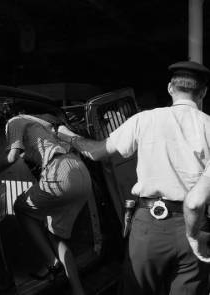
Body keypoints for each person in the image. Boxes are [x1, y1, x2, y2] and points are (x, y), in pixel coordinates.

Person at [57, 61, 210, 294]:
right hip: (195, 228)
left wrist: (69, 136)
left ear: (170, 88)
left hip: (149, 226)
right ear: (204, 92)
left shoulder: (144, 120)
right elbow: (196, 201)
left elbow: (96, 152)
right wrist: (194, 234)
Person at [0, 112, 92, 295]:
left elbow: (13, 156)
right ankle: (78, 291)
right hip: (81, 172)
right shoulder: (41, 124)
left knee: (20, 208)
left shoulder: (14, 122)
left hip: (60, 172)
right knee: (56, 236)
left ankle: (52, 263)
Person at [184, 161, 210, 263]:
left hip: (149, 221)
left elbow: (194, 203)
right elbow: (194, 203)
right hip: (199, 222)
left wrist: (192, 236)